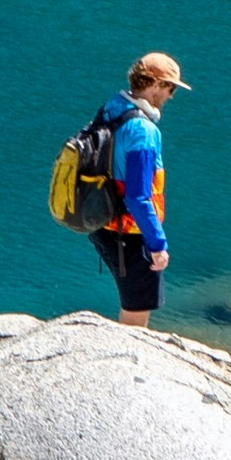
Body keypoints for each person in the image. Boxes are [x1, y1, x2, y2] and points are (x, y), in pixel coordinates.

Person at [89, 51, 187, 325]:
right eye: (170, 88)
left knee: (131, 301)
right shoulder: (143, 131)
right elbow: (138, 195)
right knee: (137, 312)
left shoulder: (113, 108)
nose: (171, 96)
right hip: (129, 233)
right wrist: (157, 244)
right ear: (154, 84)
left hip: (103, 222)